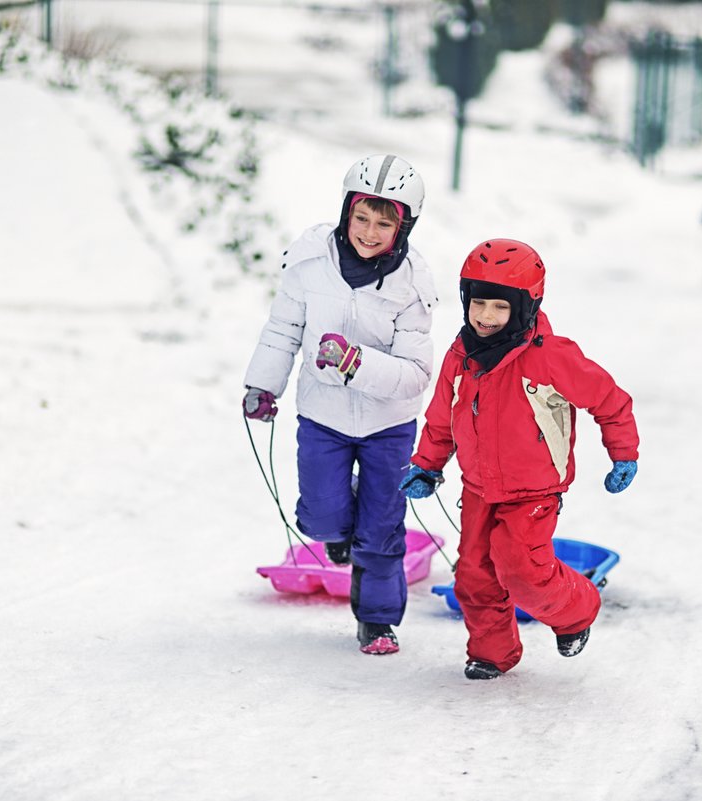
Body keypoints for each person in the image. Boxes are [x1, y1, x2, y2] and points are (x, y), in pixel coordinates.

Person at [399, 239, 639, 680]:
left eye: (499, 307)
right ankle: (492, 652)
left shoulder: (550, 356)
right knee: (473, 575)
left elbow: (610, 400)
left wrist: (622, 452)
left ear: (525, 308)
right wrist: (427, 465)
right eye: (478, 304)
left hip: (534, 491)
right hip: (478, 490)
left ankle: (577, 609)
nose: (486, 317)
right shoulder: (461, 355)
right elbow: (440, 420)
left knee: (521, 569)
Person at [242, 154, 437, 656]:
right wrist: (264, 386)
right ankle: (342, 515)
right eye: (362, 218)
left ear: (405, 226)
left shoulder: (412, 286)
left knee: (380, 531)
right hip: (323, 416)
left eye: (385, 223)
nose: (369, 232)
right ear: (346, 211)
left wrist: (355, 363)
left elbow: (415, 376)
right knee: (324, 519)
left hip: (388, 426)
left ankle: (377, 621)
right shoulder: (309, 263)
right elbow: (283, 329)